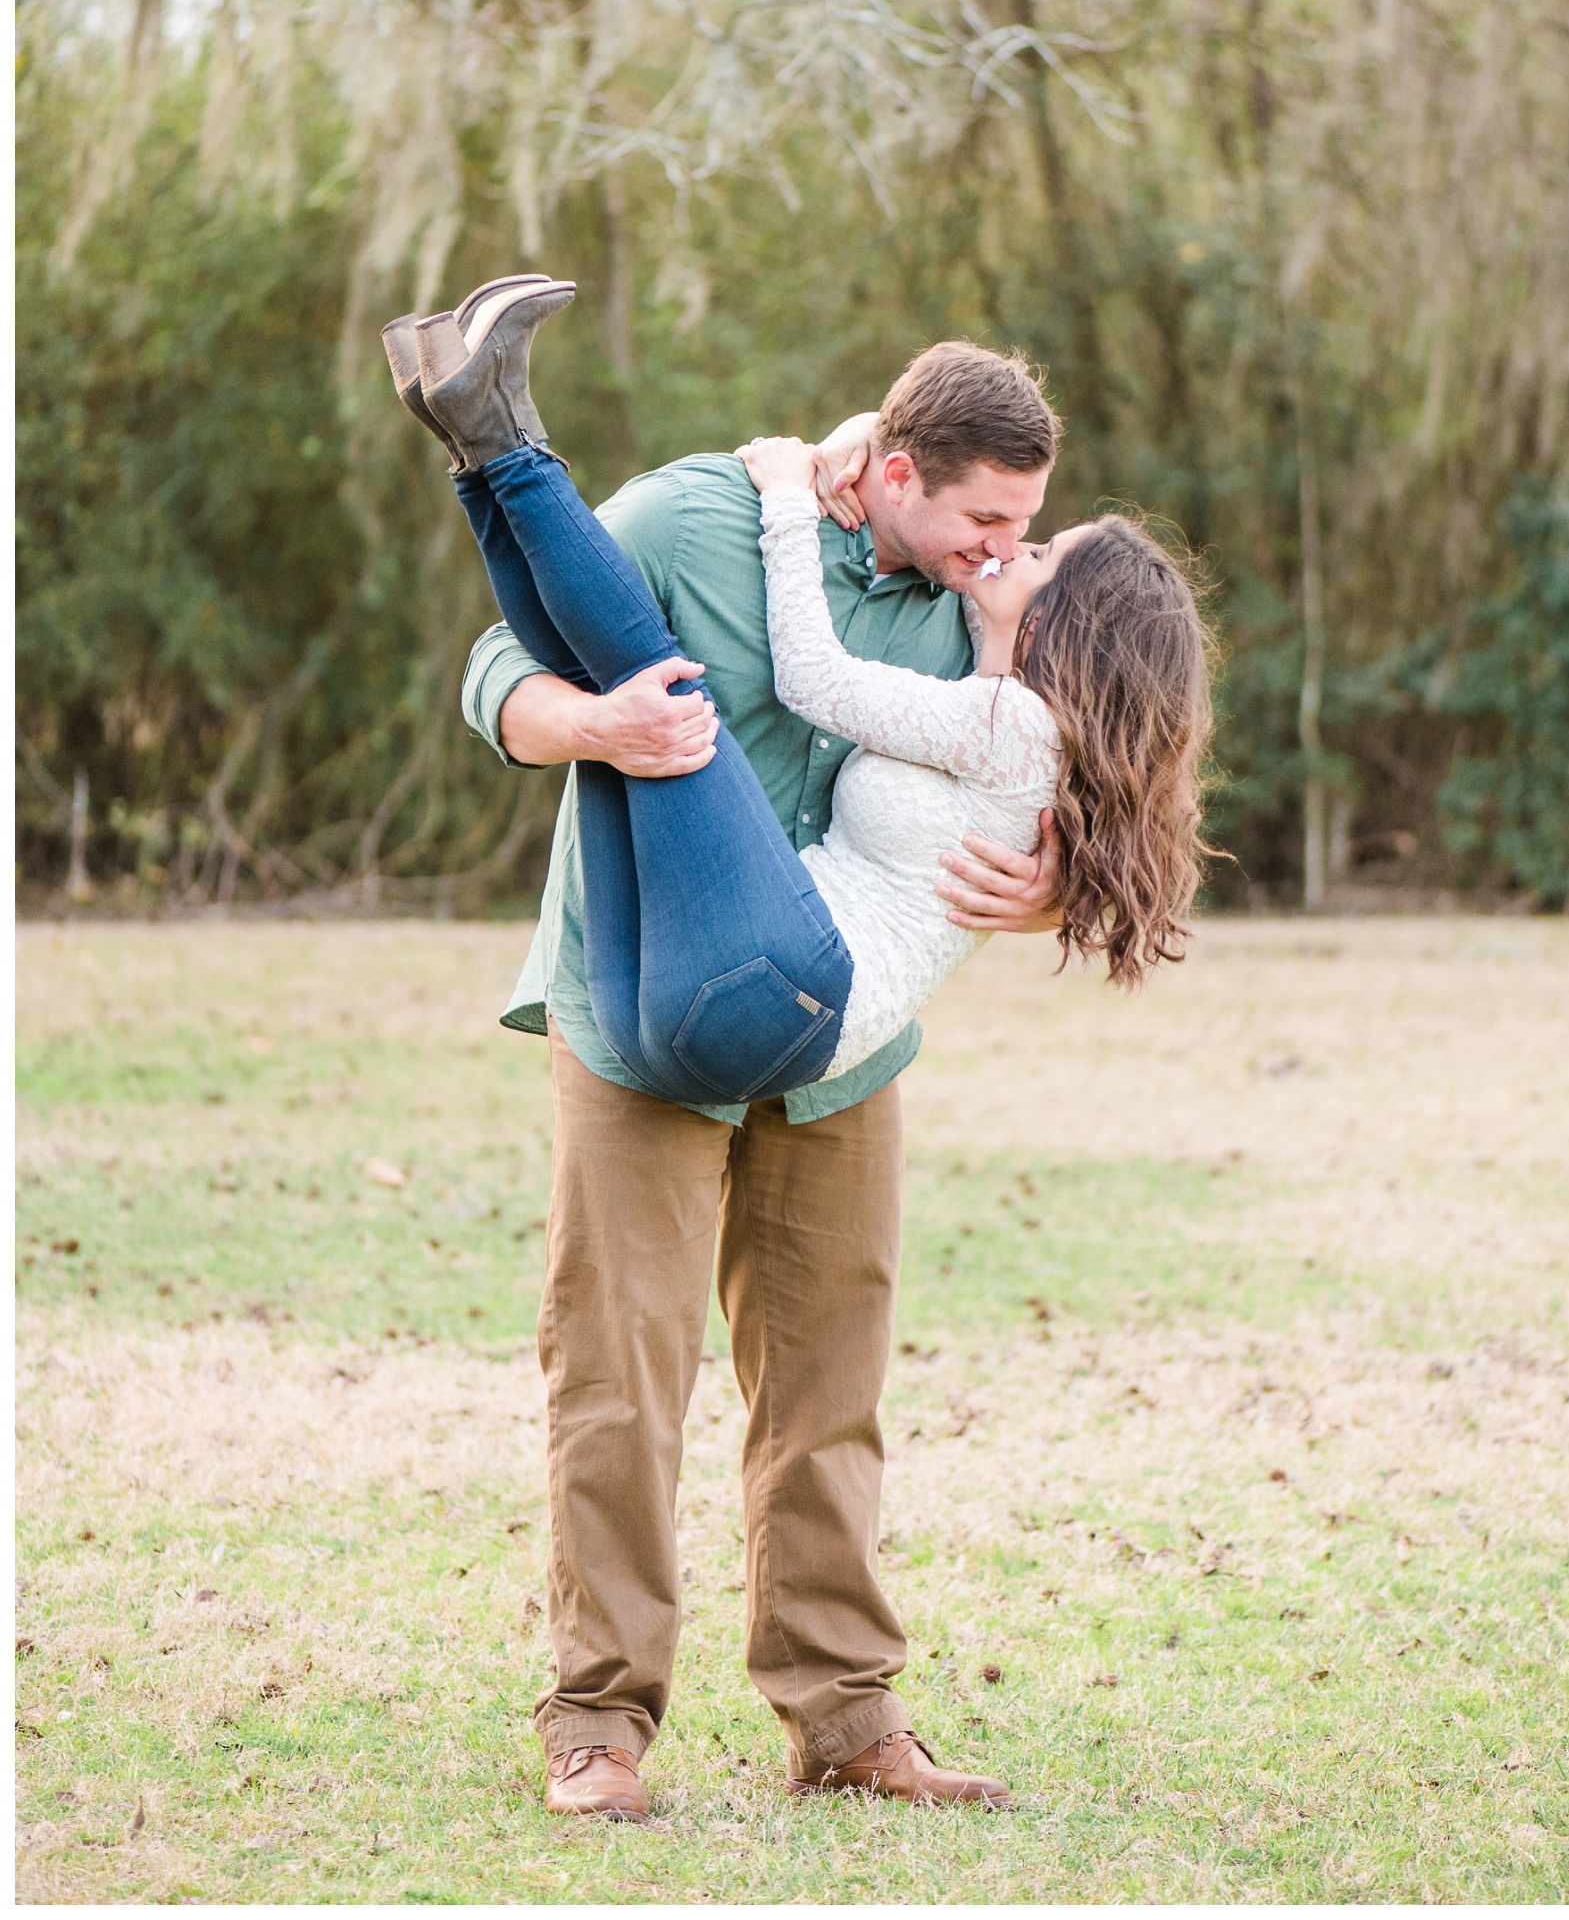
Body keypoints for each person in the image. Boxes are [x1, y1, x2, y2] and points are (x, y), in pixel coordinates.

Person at [426, 281, 1207, 1819]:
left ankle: (845, 1718)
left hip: (840, 1044)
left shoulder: (984, 612)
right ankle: (597, 1720)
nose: (1001, 552)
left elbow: (1111, 759)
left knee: (828, 1382)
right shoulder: (696, 516)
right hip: (642, 1007)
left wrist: (1052, 877)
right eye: (983, 520)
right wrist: (588, 729)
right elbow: (490, 672)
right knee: (618, 1374)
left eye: (1020, 531)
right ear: (897, 474)